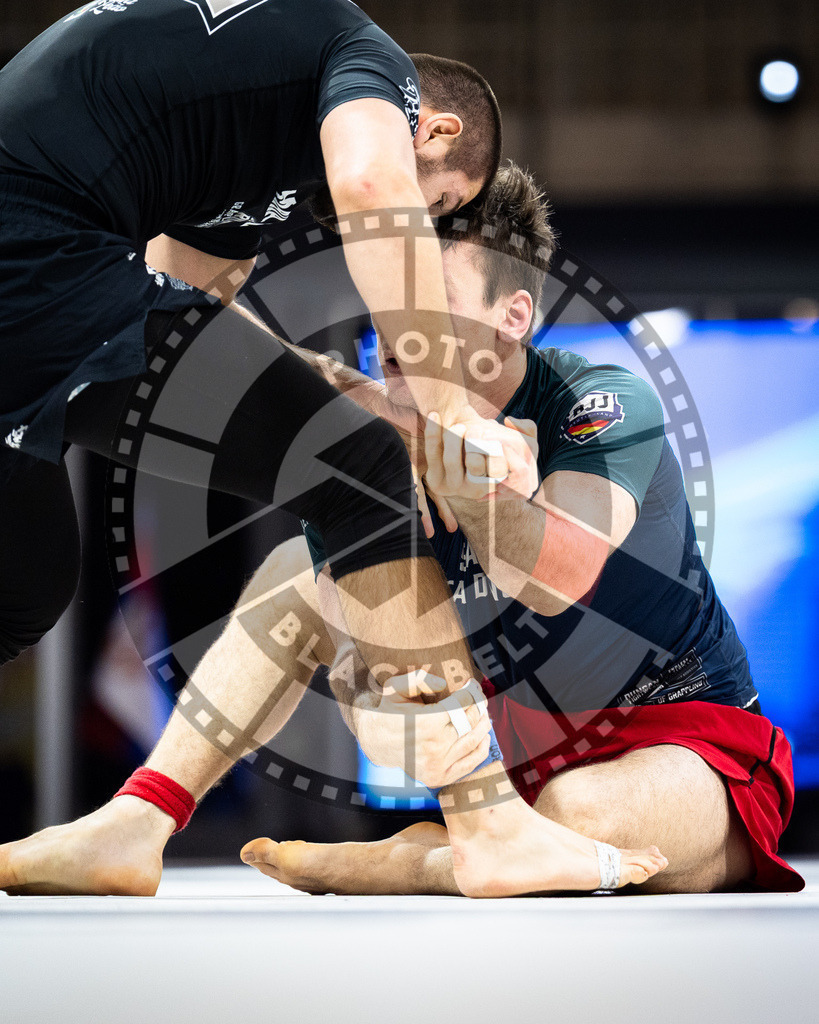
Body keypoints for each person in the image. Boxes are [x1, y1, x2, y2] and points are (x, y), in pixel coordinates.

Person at [0, 161, 671, 898]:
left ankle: (414, 863)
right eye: (388, 303)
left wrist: (477, 493)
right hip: (503, 764)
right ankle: (135, 822)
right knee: (298, 570)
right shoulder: (372, 434)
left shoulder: (599, 399)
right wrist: (377, 692)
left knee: (581, 814)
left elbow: (555, 584)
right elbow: (238, 345)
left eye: (430, 304)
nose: (394, 332)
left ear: (511, 317)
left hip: (661, 729)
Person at [0, 0, 544, 827]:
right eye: (440, 205)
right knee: (356, 469)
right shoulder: (372, 63)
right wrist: (445, 411)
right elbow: (373, 186)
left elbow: (190, 310)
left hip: (37, 272)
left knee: (24, 588)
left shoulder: (256, 156)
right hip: (33, 248)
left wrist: (353, 389)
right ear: (428, 131)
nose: (421, 224)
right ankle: (488, 824)